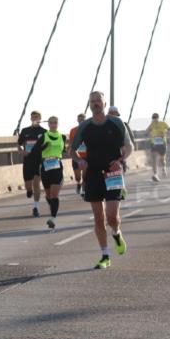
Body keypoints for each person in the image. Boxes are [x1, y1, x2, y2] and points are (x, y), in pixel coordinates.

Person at [71, 92, 132, 269]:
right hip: (93, 175)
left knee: (112, 217)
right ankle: (105, 255)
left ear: (104, 103)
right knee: (99, 218)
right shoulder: (85, 126)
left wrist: (120, 161)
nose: (95, 104)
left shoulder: (116, 123)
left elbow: (129, 146)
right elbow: (72, 150)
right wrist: (79, 160)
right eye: (92, 101)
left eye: (98, 101)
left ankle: (117, 232)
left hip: (112, 173)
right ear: (89, 105)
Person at [26, 116, 68, 229]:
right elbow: (34, 151)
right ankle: (53, 208)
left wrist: (62, 151)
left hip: (57, 167)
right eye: (51, 123)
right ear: (48, 124)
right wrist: (43, 147)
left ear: (58, 124)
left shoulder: (62, 137)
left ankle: (53, 218)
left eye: (55, 123)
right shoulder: (44, 136)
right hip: (45, 168)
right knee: (48, 195)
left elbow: (63, 150)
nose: (53, 125)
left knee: (54, 194)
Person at [17, 111, 46, 217]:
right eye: (33, 117)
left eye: (36, 117)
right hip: (27, 161)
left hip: (39, 161)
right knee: (28, 185)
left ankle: (36, 207)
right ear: (30, 118)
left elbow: (47, 146)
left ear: (40, 118)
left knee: (37, 184)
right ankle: (29, 191)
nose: (34, 118)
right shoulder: (25, 131)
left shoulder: (44, 132)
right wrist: (21, 151)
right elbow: (19, 145)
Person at [147, 113, 170, 182]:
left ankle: (164, 168)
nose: (154, 118)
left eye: (155, 117)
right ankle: (155, 174)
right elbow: (146, 131)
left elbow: (169, 129)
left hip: (162, 143)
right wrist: (150, 130)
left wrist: (165, 132)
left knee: (162, 159)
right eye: (153, 117)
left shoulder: (163, 123)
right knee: (154, 159)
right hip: (154, 143)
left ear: (158, 117)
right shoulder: (151, 124)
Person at [68, 113, 87, 195]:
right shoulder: (73, 130)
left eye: (83, 119)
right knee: (77, 176)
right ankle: (78, 183)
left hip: (86, 156)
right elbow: (71, 143)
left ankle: (83, 190)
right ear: (77, 120)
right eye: (80, 119)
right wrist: (69, 150)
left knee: (85, 175)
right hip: (76, 156)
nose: (81, 121)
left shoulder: (89, 129)